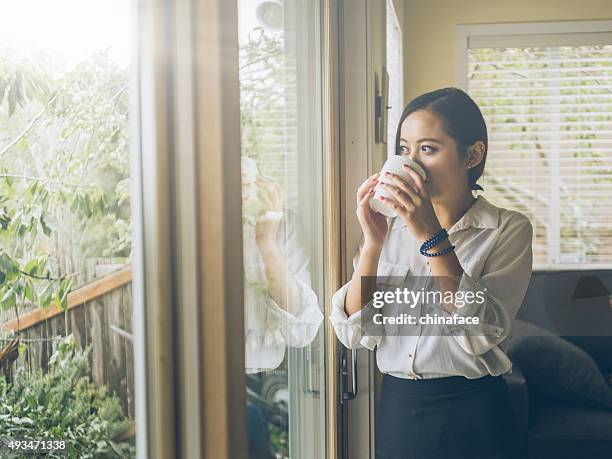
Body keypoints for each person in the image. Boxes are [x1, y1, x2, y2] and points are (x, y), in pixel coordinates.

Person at [330, 87, 533, 459]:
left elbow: (480, 334)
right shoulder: (388, 229)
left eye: (428, 148)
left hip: (474, 412)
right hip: (398, 410)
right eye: (404, 149)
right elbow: (354, 331)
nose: (413, 164)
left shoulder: (508, 229)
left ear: (473, 154)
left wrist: (430, 235)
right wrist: (373, 245)